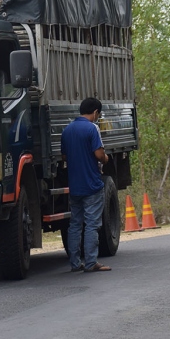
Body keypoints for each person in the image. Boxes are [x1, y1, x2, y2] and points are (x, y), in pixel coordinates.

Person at [61, 97, 111, 273]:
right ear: (96, 112)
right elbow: (99, 154)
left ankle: (75, 264)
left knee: (75, 224)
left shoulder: (67, 130)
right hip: (92, 184)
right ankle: (91, 263)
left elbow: (65, 157)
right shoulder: (92, 128)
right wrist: (106, 158)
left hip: (75, 186)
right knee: (91, 224)